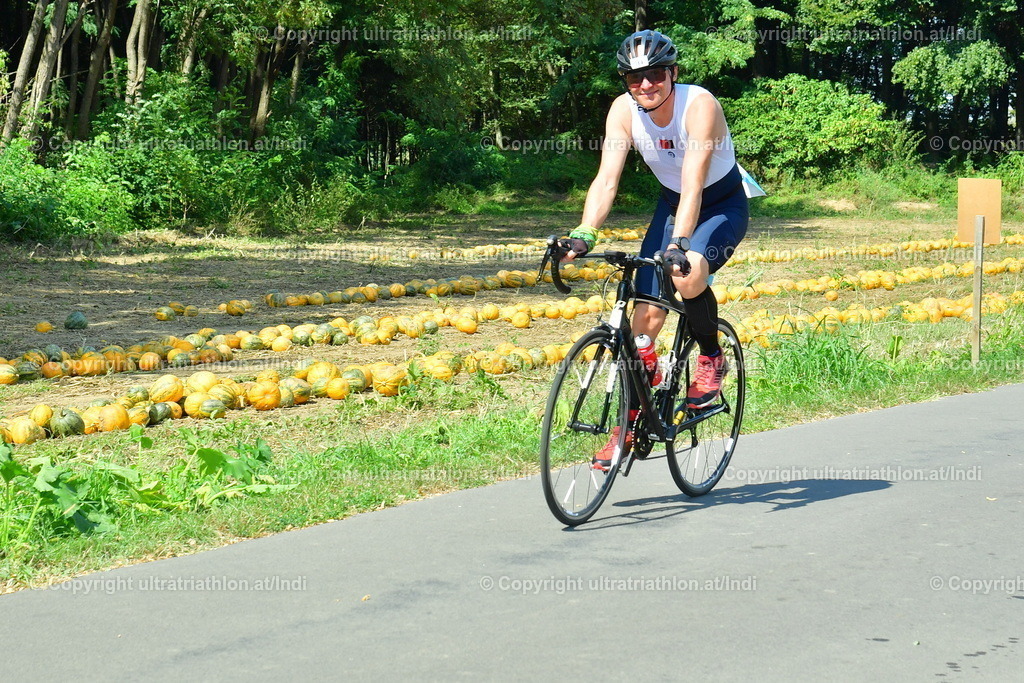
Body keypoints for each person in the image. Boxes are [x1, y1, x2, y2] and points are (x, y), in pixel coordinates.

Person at [558, 29, 756, 470]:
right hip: (671, 204)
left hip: (719, 204)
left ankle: (711, 358)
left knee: (686, 274)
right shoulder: (623, 112)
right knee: (642, 322)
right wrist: (585, 232)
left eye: (654, 75)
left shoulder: (699, 105)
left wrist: (679, 246)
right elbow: (607, 179)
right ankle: (630, 422)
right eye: (633, 78)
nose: (645, 85)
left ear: (672, 74)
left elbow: (693, 182)